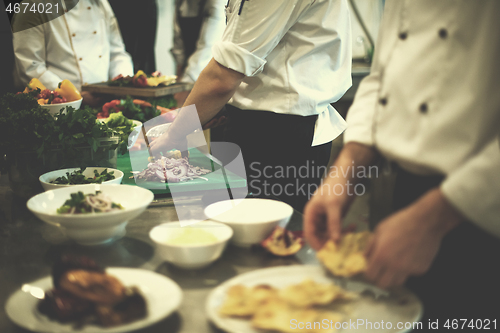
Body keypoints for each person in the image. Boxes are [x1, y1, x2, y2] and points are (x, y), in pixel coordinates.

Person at [304, 0, 500, 323]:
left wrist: (434, 218)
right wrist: (345, 172)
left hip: (480, 214)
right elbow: (383, 76)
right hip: (401, 198)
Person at [150, 0, 352, 212]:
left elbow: (222, 77)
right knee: (240, 225)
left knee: (266, 233)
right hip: (262, 126)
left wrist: (174, 135)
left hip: (278, 138)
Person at [12, 0, 133, 106]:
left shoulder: (100, 3)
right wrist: (76, 96)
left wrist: (123, 85)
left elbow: (117, 54)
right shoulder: (32, 7)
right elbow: (31, 68)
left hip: (105, 105)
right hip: (61, 109)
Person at [171, 0, 226, 107]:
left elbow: (205, 49)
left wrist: (179, 98)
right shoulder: (180, 3)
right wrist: (178, 85)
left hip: (210, 74)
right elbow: (179, 45)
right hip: (187, 74)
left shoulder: (216, 3)